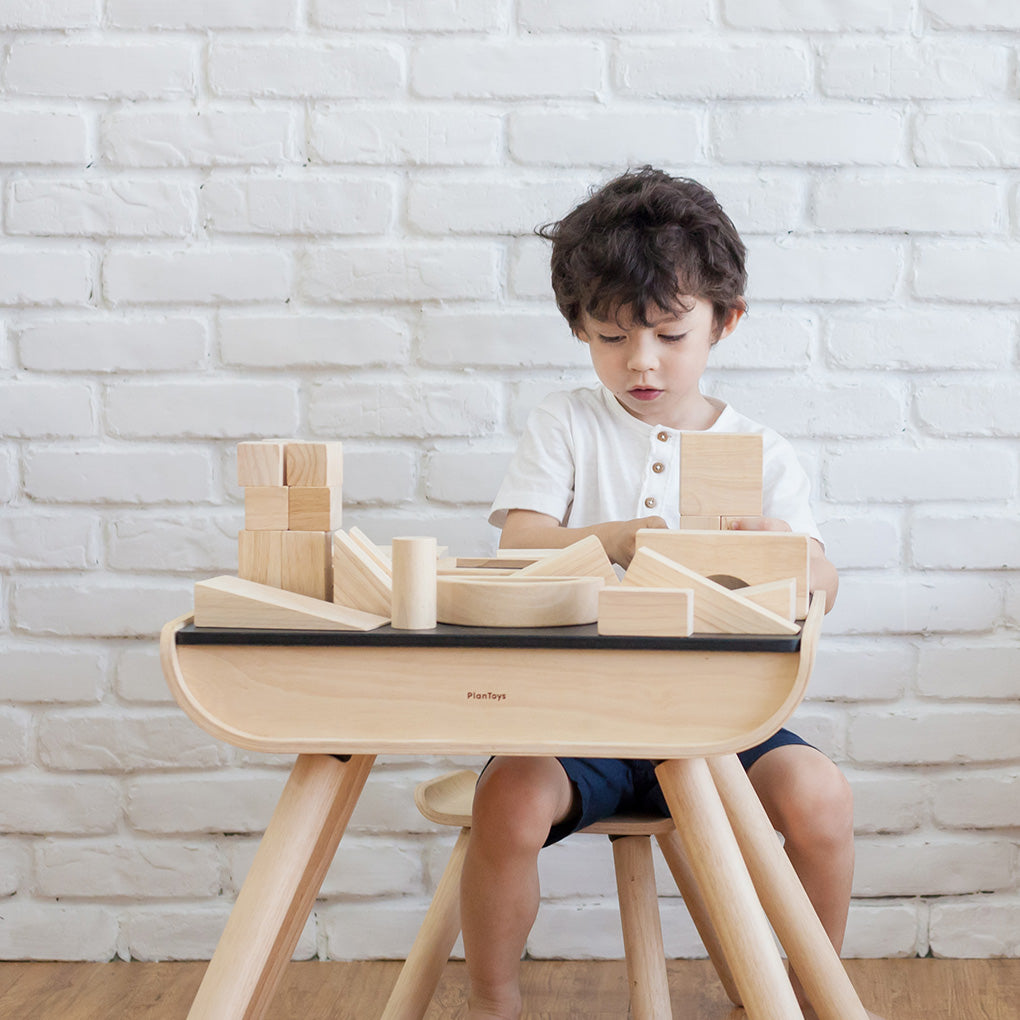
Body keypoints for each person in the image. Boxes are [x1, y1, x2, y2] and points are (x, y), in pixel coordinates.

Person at [460, 167, 879, 1020]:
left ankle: (803, 997)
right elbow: (519, 545)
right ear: (579, 327)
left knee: (821, 797)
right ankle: (492, 1002)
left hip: (722, 720)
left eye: (670, 334)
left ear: (725, 321)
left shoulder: (760, 450)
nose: (641, 361)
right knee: (506, 799)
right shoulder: (569, 423)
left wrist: (785, 554)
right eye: (612, 336)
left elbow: (824, 584)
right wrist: (617, 539)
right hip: (585, 721)